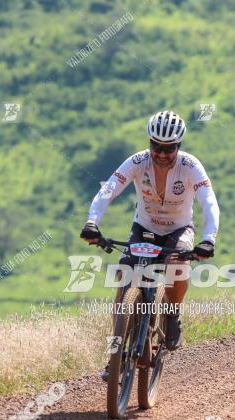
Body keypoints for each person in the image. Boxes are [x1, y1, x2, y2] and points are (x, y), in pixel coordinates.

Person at [80, 111, 220, 380]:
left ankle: (173, 314)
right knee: (124, 279)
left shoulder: (191, 166)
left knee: (177, 266)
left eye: (169, 148)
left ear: (178, 146)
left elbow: (209, 202)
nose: (162, 153)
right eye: (156, 146)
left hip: (178, 230)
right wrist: (91, 223)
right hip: (143, 229)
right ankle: (116, 355)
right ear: (150, 143)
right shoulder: (137, 161)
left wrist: (208, 239)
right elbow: (108, 190)